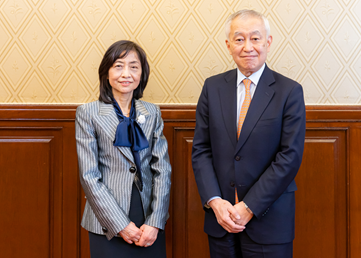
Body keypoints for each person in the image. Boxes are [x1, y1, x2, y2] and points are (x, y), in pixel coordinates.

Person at [192, 9, 306, 258]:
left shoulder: (289, 91)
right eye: (239, 39)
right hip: (221, 220)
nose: (248, 47)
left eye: (255, 38)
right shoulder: (212, 87)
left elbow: (289, 157)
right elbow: (201, 149)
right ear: (228, 44)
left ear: (268, 41)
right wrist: (215, 201)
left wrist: (249, 206)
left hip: (269, 221)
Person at [75, 40, 171, 258]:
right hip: (107, 218)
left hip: (148, 215)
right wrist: (120, 224)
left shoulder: (152, 112)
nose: (126, 73)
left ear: (142, 74)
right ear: (106, 72)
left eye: (133, 67)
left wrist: (155, 221)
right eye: (118, 66)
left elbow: (162, 169)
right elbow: (89, 176)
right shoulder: (88, 113)